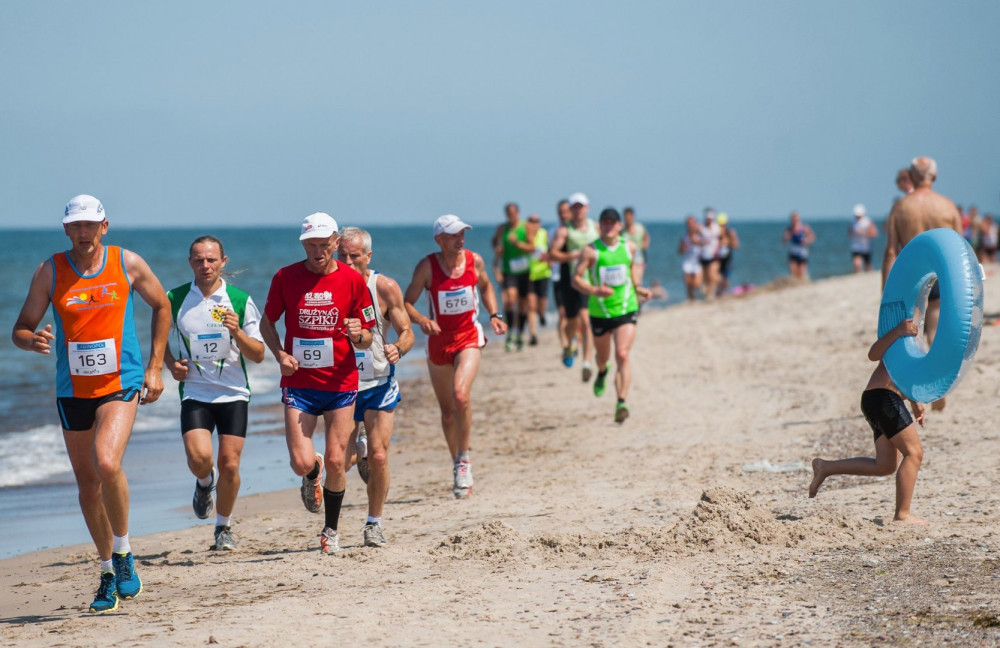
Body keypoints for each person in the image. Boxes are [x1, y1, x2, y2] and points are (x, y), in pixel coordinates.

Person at [12, 194, 171, 613]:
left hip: (121, 381)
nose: (83, 232)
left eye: (90, 224)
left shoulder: (127, 263)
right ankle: (105, 572)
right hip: (72, 389)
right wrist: (33, 340)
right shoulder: (50, 271)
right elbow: (21, 328)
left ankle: (123, 551)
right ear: (66, 229)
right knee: (87, 485)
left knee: (106, 462)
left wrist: (156, 367)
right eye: (75, 225)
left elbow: (162, 306)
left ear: (105, 226)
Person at [259, 213, 377, 555]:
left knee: (339, 460)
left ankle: (331, 529)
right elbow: (268, 322)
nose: (317, 251)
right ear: (303, 244)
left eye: (324, 245)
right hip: (299, 383)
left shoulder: (353, 281)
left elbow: (369, 336)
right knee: (300, 461)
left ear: (336, 243)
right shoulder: (285, 277)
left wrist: (361, 335)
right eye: (311, 245)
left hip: (340, 382)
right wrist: (279, 353)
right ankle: (312, 473)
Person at [164, 235, 265, 551]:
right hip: (195, 391)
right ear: (190, 262)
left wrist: (236, 332)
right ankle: (204, 483)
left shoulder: (239, 300)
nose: (205, 265)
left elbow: (259, 353)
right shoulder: (174, 299)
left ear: (223, 262)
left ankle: (223, 528)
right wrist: (170, 365)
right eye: (198, 259)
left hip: (233, 392)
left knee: (230, 465)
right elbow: (158, 341)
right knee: (199, 459)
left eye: (211, 260)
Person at [403, 214, 507, 499]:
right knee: (448, 413)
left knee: (461, 395)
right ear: (439, 239)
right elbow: (405, 303)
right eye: (452, 235)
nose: (459, 239)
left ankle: (465, 459)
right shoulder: (427, 267)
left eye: (462, 234)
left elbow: (485, 286)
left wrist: (495, 315)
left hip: (468, 336)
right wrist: (422, 320)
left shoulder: (475, 261)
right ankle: (455, 462)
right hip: (438, 341)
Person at [336, 227, 414, 547]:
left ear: (369, 256)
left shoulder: (384, 287)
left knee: (380, 457)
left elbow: (407, 331)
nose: (349, 261)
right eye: (342, 256)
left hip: (379, 382)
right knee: (340, 461)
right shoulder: (328, 288)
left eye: (355, 256)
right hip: (341, 385)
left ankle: (374, 523)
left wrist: (399, 347)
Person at [809, 318, 928, 525]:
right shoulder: (903, 329)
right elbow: (873, 354)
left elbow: (905, 373)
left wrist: (915, 401)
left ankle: (826, 467)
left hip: (878, 400)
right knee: (914, 453)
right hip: (883, 397)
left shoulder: (915, 337)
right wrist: (898, 330)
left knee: (885, 465)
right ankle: (903, 514)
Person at [882, 157, 962, 411]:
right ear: (934, 177)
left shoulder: (901, 207)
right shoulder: (948, 206)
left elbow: (891, 251)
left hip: (911, 278)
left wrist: (886, 291)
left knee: (911, 332)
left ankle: (917, 390)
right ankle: (937, 385)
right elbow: (960, 250)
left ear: (912, 177)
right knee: (934, 329)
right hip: (941, 275)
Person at [572, 207, 651, 423]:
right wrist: (594, 290)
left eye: (612, 222)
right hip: (600, 312)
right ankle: (602, 371)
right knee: (603, 358)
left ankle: (621, 402)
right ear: (599, 226)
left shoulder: (630, 248)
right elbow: (575, 279)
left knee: (623, 354)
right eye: (604, 222)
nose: (608, 226)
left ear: (619, 226)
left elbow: (631, 269)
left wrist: (638, 287)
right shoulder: (590, 251)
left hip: (626, 308)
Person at [548, 192, 599, 379]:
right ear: (571, 209)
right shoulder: (564, 230)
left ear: (587, 208)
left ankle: (586, 362)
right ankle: (570, 343)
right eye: (575, 207)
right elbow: (553, 254)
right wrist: (574, 256)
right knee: (570, 322)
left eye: (581, 206)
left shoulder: (596, 228)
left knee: (586, 321)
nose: (578, 210)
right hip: (571, 281)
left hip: (589, 281)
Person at [491, 202, 530, 351]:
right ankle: (510, 331)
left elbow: (531, 247)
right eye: (508, 214)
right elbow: (494, 241)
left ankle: (519, 333)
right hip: (508, 270)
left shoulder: (525, 227)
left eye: (513, 213)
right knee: (509, 300)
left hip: (524, 270)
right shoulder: (502, 228)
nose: (511, 216)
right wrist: (497, 247)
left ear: (518, 213)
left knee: (522, 304)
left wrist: (518, 244)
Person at [549, 199, 576, 363]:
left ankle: (574, 341)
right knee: (563, 314)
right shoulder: (553, 231)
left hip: (575, 277)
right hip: (558, 277)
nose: (563, 214)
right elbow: (547, 253)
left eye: (566, 211)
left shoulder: (576, 231)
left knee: (577, 316)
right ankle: (566, 346)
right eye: (560, 211)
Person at [524, 214, 552, 346]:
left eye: (536, 221)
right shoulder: (524, 235)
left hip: (543, 273)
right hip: (529, 274)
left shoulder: (544, 234)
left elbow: (551, 250)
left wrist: (549, 259)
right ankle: (533, 334)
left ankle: (542, 315)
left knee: (541, 304)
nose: (534, 223)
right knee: (531, 305)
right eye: (531, 221)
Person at [621, 207, 651, 286]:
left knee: (637, 282)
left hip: (639, 259)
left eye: (629, 217)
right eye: (626, 217)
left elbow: (646, 237)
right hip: (626, 259)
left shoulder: (640, 227)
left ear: (633, 216)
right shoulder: (621, 231)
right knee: (628, 281)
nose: (628, 219)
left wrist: (645, 245)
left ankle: (637, 296)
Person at [678, 215, 703, 301]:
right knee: (688, 284)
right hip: (688, 261)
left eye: (692, 223)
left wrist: (697, 242)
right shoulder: (684, 236)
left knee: (696, 284)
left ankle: (701, 294)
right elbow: (679, 251)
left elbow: (707, 243)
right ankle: (691, 300)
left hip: (698, 261)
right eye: (688, 223)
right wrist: (683, 248)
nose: (690, 225)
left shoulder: (700, 234)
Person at [783, 211, 815, 279]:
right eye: (793, 220)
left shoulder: (804, 228)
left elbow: (812, 237)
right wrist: (786, 238)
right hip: (793, 250)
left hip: (802, 251)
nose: (795, 221)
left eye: (796, 220)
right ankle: (795, 283)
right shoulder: (789, 229)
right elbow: (784, 242)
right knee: (792, 269)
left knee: (801, 271)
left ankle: (802, 282)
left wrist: (807, 241)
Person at [849, 204, 879, 273]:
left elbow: (874, 234)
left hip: (866, 247)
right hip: (856, 246)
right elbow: (850, 233)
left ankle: (869, 278)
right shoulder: (853, 222)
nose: (857, 217)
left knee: (868, 265)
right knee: (856, 264)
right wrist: (853, 234)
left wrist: (863, 234)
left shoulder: (867, 221)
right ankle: (858, 277)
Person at [716, 213, 739, 296]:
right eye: (719, 225)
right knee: (717, 277)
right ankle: (718, 292)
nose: (721, 227)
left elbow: (736, 246)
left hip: (727, 258)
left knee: (726, 278)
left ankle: (723, 292)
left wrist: (728, 242)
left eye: (723, 225)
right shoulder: (715, 233)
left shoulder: (730, 233)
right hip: (717, 258)